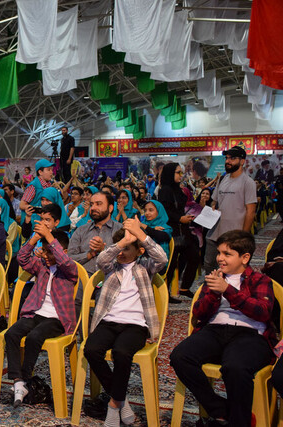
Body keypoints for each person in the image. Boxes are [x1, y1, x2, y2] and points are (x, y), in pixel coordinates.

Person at [170, 230, 275, 427]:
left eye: (227, 254)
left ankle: (238, 421)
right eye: (219, 253)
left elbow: (262, 312)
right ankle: (221, 410)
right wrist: (214, 293)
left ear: (245, 258)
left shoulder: (260, 280)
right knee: (180, 356)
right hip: (215, 330)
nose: (220, 258)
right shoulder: (215, 279)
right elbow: (199, 314)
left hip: (249, 334)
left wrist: (228, 290)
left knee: (235, 367)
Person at [84, 220, 167, 427]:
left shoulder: (145, 267)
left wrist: (141, 235)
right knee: (91, 349)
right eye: (120, 247)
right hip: (109, 321)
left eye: (127, 248)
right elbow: (102, 258)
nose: (121, 252)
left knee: (122, 352)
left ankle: (113, 404)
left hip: (135, 325)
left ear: (139, 251)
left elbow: (162, 258)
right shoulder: (111, 267)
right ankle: (121, 399)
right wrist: (122, 242)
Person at [5, 227, 78, 407]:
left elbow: (64, 261)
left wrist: (49, 237)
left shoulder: (69, 270)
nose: (45, 254)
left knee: (34, 337)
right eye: (44, 250)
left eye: (49, 251)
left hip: (57, 318)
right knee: (11, 333)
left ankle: (26, 377)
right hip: (36, 313)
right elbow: (21, 258)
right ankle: (18, 381)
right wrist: (34, 239)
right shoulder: (41, 266)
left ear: (62, 251)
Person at [68, 192, 123, 315]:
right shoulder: (81, 230)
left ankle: (98, 331)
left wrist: (103, 251)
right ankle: (78, 330)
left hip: (110, 277)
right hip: (83, 277)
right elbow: (69, 258)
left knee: (105, 296)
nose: (93, 208)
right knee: (73, 294)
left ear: (110, 208)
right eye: (92, 204)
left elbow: (125, 258)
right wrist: (90, 254)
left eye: (99, 204)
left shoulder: (120, 230)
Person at [204, 146, 257, 274]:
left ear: (242, 161)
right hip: (214, 233)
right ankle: (211, 292)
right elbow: (214, 201)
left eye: (232, 158)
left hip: (234, 235)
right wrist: (212, 207)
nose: (228, 161)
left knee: (230, 269)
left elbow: (250, 211)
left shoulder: (248, 182)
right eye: (227, 158)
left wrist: (243, 236)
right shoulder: (222, 179)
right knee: (209, 265)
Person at [158, 163, 198, 299]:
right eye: (178, 173)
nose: (181, 175)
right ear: (170, 173)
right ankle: (166, 294)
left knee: (194, 256)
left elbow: (181, 205)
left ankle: (185, 287)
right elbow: (165, 211)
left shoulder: (177, 189)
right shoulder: (165, 190)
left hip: (183, 230)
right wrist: (180, 218)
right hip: (173, 231)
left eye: (181, 172)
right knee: (171, 263)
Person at [19, 159, 56, 225]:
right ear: (40, 172)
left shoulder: (49, 185)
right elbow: (22, 205)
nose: (51, 172)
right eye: (48, 170)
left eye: (51, 170)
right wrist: (37, 209)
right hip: (33, 223)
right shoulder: (33, 186)